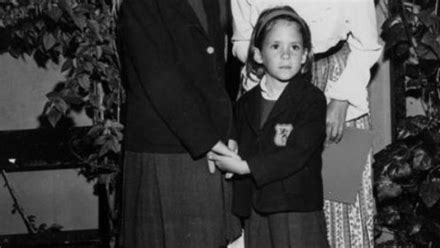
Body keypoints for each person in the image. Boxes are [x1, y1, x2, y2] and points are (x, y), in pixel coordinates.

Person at [231, 1, 383, 247]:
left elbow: (368, 44)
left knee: (343, 203)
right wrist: (261, 74)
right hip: (268, 82)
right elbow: (241, 40)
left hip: (339, 86)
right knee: (273, 203)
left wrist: (342, 97)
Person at [117, 0, 240, 247]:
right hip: (166, 147)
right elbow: (159, 80)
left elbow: (219, 72)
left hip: (209, 141)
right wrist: (207, 140)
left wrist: (229, 131)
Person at [209, 6, 329, 247]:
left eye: (294, 47)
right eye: (276, 46)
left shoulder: (311, 100)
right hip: (256, 210)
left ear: (305, 55)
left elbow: (296, 154)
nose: (286, 55)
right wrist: (232, 149)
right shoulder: (246, 102)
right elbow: (242, 139)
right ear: (258, 54)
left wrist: (245, 166)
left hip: (295, 208)